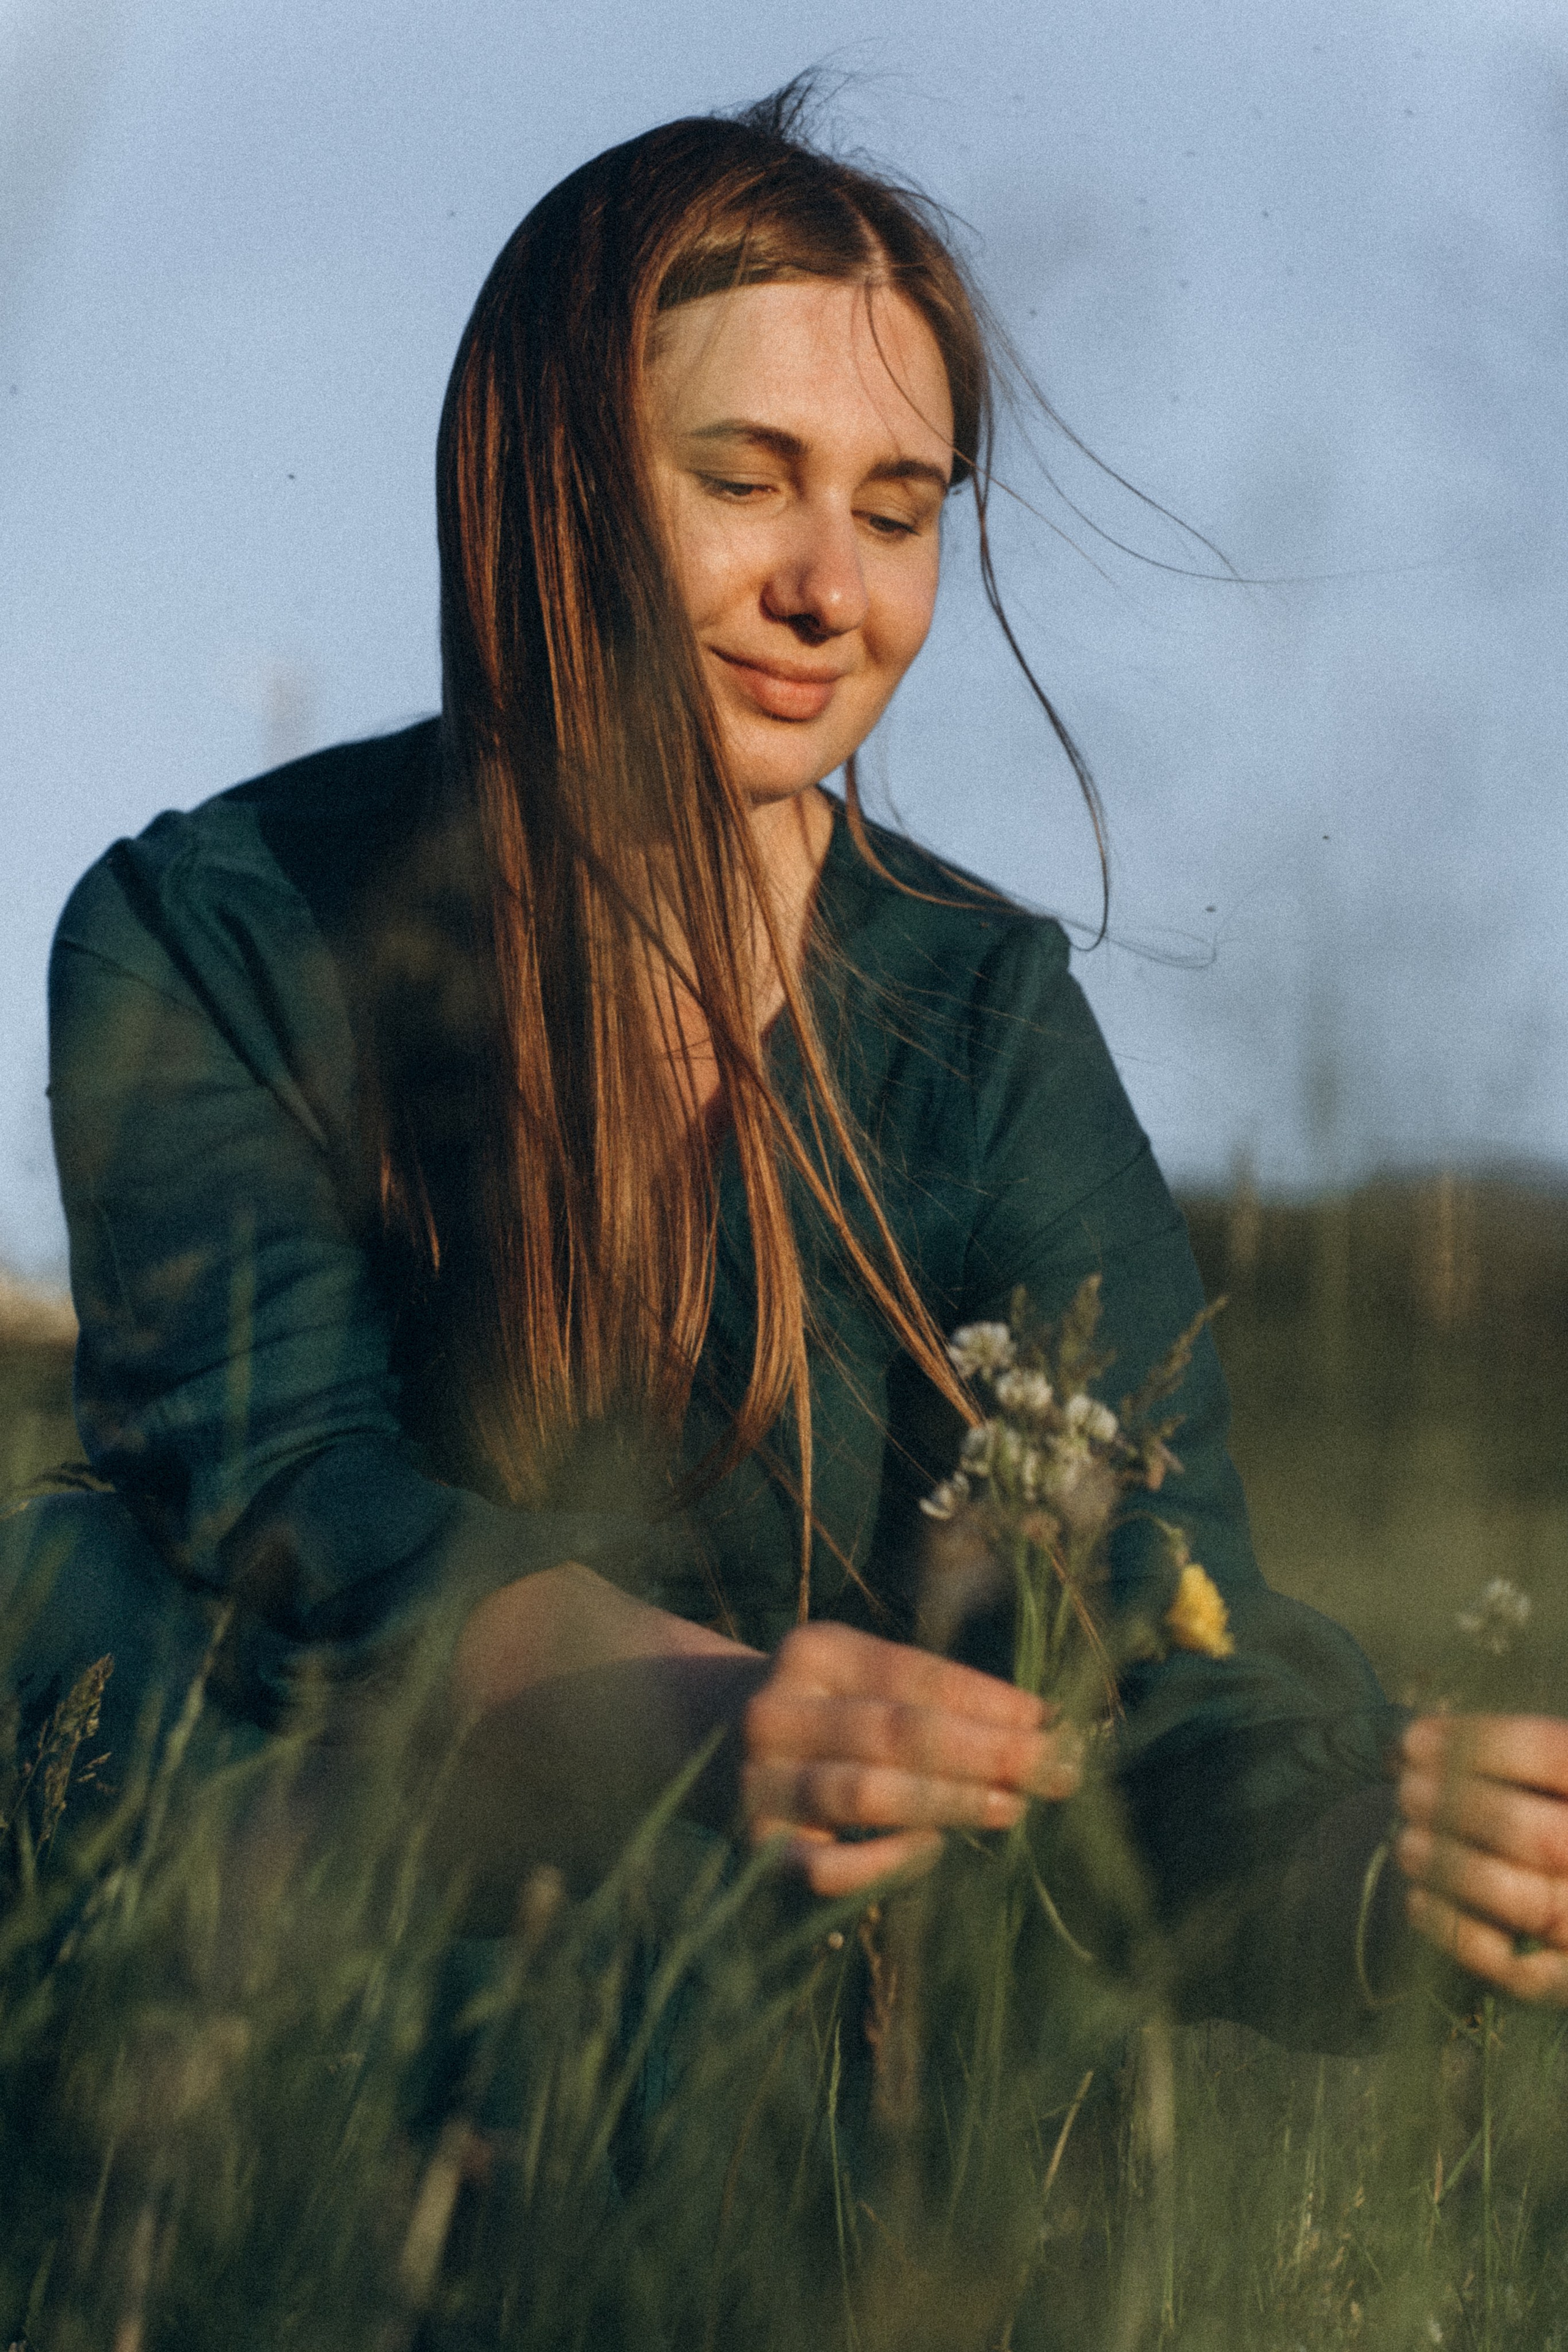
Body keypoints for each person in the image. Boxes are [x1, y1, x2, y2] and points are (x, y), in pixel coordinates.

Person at [6, 88, 1567, 2051]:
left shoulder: (975, 1012)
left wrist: (1376, 1860)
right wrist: (710, 1715)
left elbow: (1161, 1628)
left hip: (792, 2027)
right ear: (549, 481)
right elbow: (292, 1508)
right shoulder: (211, 933)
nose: (836, 590)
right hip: (294, 1988)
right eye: (750, 481)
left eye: (899, 513)